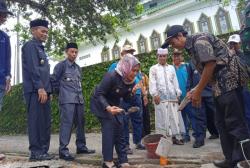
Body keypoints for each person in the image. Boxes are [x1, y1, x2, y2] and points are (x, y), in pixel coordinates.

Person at [162, 25, 250, 167]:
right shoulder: (191, 48)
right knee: (221, 124)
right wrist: (195, 89)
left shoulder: (199, 40)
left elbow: (210, 65)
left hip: (230, 84)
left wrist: (198, 92)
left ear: (180, 35)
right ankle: (230, 159)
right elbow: (207, 72)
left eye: (172, 42)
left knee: (235, 123)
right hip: (218, 87)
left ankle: (244, 159)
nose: (173, 47)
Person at [90, 54, 140, 168]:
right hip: (100, 103)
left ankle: (123, 160)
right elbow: (99, 94)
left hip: (114, 104)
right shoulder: (111, 76)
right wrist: (107, 108)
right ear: (127, 67)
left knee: (120, 126)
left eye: (137, 71)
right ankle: (107, 161)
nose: (135, 73)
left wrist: (132, 92)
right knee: (109, 126)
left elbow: (127, 98)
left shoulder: (131, 81)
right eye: (133, 70)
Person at [50, 43, 95, 161]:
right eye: (71, 52)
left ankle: (81, 147)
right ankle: (63, 150)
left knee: (80, 124)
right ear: (66, 52)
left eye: (76, 52)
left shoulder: (78, 68)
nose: (74, 54)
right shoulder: (61, 66)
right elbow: (53, 81)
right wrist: (60, 94)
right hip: (67, 100)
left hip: (79, 100)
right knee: (67, 125)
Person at [22, 19, 53, 161]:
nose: (45, 34)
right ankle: (35, 152)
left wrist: (49, 90)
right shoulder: (30, 46)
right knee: (35, 122)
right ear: (33, 30)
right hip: (35, 91)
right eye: (42, 31)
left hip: (44, 91)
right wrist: (40, 87)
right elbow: (33, 69)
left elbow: (45, 72)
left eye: (47, 32)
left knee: (45, 122)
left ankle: (43, 151)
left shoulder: (41, 48)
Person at [149, 48, 185, 145]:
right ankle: (165, 139)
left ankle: (176, 137)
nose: (162, 58)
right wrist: (155, 94)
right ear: (157, 57)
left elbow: (175, 82)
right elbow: (152, 83)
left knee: (175, 117)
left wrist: (178, 93)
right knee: (163, 118)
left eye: (164, 56)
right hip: (160, 98)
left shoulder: (171, 68)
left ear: (166, 57)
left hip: (172, 97)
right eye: (160, 56)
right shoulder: (153, 68)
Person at [186, 61, 219, 148]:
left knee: (213, 115)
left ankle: (216, 133)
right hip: (197, 94)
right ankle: (199, 139)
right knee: (198, 116)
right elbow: (189, 78)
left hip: (209, 92)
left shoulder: (209, 60)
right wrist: (188, 90)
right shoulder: (191, 63)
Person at [227, 34, 250, 131]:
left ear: (240, 44)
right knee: (237, 112)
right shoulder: (225, 56)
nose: (233, 45)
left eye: (235, 43)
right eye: (231, 43)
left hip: (243, 86)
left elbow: (245, 68)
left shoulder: (244, 55)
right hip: (232, 88)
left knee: (247, 111)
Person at [0, 0, 13, 161]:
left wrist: (8, 79)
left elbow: (8, 61)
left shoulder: (4, 37)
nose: (4, 17)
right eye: (2, 14)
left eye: (4, 14)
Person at [172, 49, 192, 143]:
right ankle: (186, 135)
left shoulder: (187, 66)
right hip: (177, 97)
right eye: (175, 56)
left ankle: (198, 134)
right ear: (172, 57)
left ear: (182, 56)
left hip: (188, 95)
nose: (177, 57)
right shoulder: (171, 69)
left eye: (178, 55)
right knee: (182, 118)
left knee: (192, 116)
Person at [141, 72, 151, 137]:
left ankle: (147, 132)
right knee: (140, 116)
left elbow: (148, 86)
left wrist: (145, 95)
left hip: (144, 97)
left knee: (146, 115)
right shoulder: (132, 75)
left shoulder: (144, 75)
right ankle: (142, 133)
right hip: (137, 97)